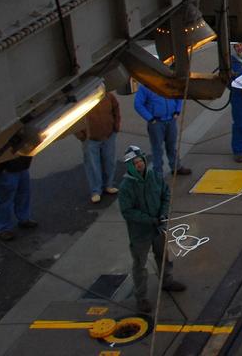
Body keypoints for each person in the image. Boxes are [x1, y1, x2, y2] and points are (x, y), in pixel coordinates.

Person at [117, 144, 185, 313]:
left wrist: (163, 213)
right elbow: (128, 211)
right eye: (135, 163)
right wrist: (149, 220)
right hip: (140, 233)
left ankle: (167, 281)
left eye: (141, 161)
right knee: (140, 264)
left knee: (163, 256)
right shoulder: (126, 187)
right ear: (130, 166)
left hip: (158, 227)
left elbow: (165, 194)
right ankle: (141, 297)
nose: (139, 165)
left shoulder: (154, 176)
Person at [134, 86, 192, 178]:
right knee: (157, 148)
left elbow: (178, 95)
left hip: (171, 119)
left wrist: (177, 110)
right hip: (156, 122)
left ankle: (176, 167)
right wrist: (150, 118)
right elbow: (138, 104)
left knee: (172, 145)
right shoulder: (145, 86)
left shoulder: (168, 81)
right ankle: (158, 172)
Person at [76, 91, 122, 203]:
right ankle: (96, 191)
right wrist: (82, 135)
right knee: (93, 165)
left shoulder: (108, 96)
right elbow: (74, 120)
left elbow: (116, 109)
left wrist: (116, 127)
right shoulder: (80, 99)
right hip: (90, 139)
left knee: (109, 161)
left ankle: (108, 185)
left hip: (109, 135)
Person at [0, 153, 36, 240]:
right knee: (5, 199)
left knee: (23, 193)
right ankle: (4, 228)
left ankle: (23, 218)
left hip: (20, 164)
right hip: (5, 168)